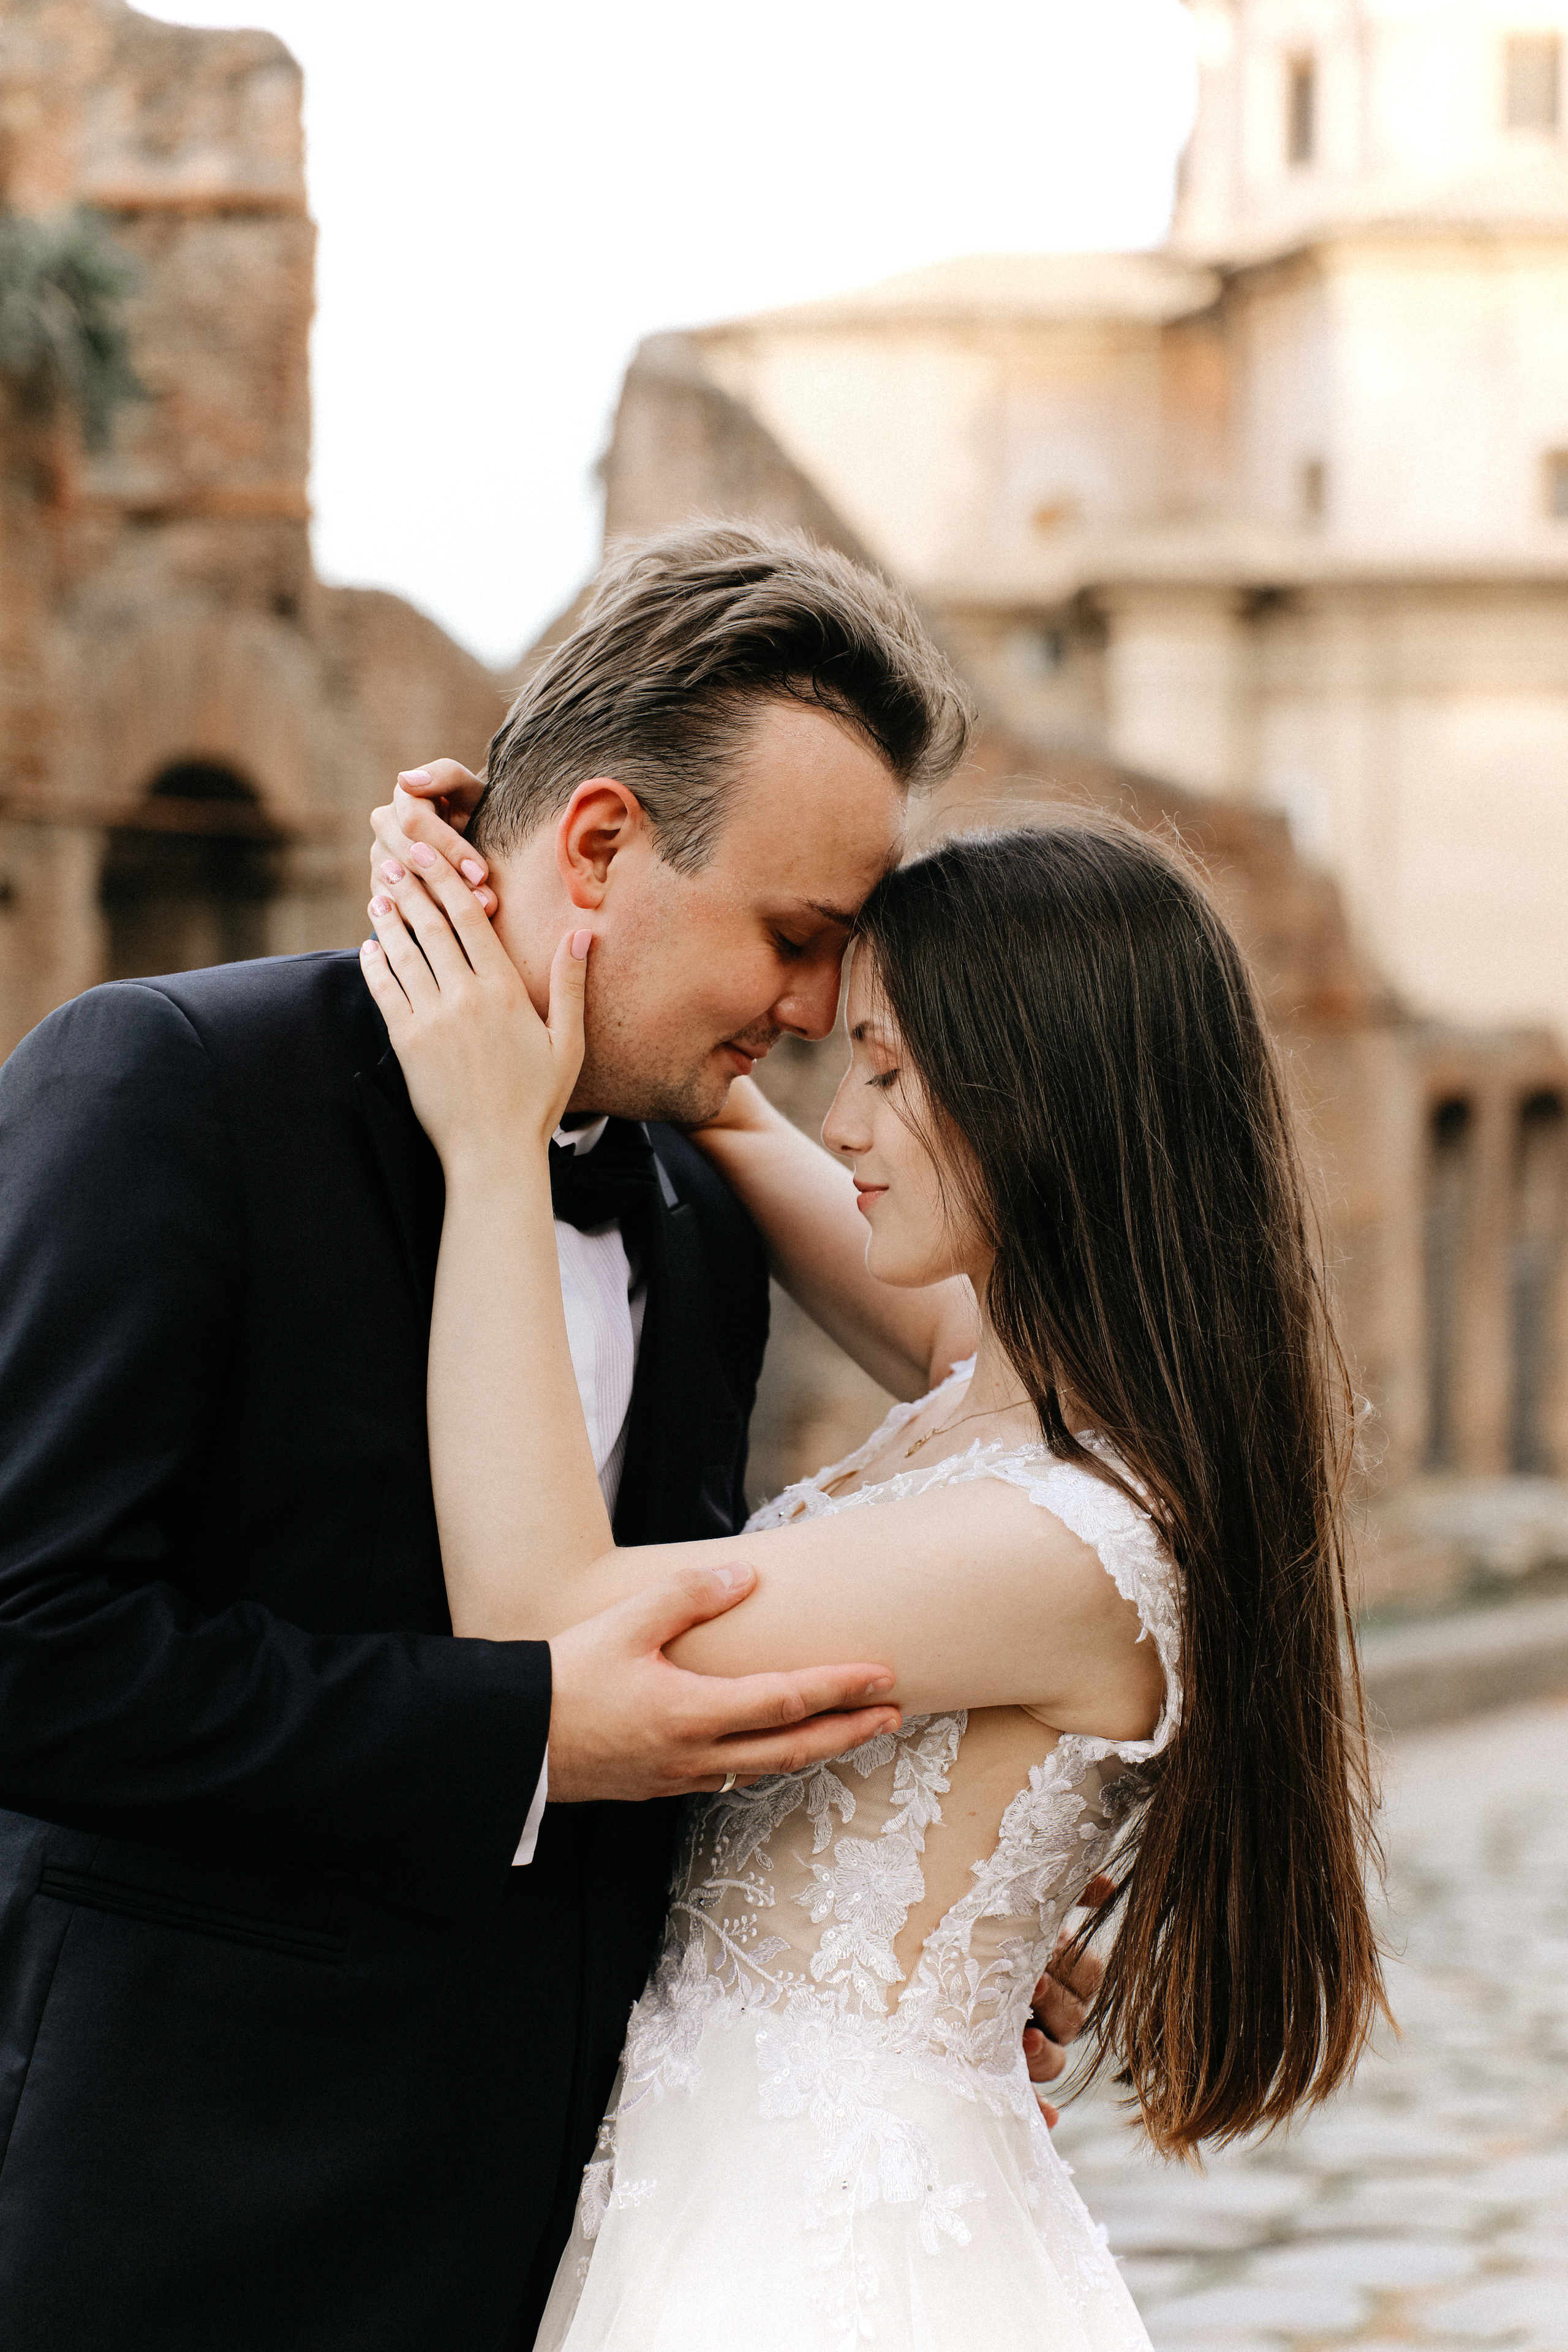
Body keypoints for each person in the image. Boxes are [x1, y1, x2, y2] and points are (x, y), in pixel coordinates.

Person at [0, 526, 1000, 2351]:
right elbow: (28, 1647)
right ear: (604, 846)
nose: (813, 1015)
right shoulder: (164, 1082)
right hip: (188, 2220)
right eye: (795, 940)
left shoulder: (696, 1224)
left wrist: (916, 1944)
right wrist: (518, 1729)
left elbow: (666, 1700)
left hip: (573, 2241)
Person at [360, 801, 1389, 2350]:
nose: (839, 1121)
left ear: (1053, 1106)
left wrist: (492, 1146)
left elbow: (547, 1635)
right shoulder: (1010, 1380)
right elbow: (731, 1126)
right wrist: (579, 954)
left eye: (892, 1075)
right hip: (741, 2187)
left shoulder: (1054, 1538)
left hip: (822, 2253)